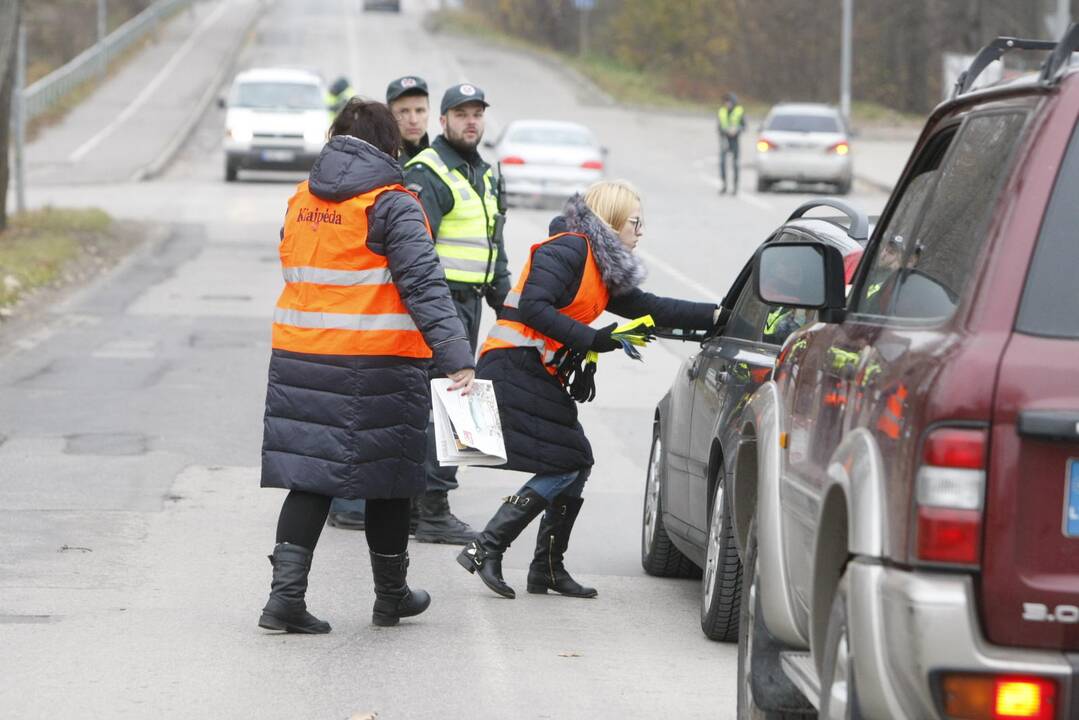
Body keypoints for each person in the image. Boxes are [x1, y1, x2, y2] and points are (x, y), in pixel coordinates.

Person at [258, 98, 476, 633]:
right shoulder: (393, 202)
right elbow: (424, 283)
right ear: (389, 145)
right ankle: (392, 595)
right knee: (391, 480)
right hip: (377, 362)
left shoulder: (301, 198)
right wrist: (455, 356)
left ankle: (283, 600)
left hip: (301, 357)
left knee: (310, 478)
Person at [457, 180, 727, 599]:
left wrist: (719, 315)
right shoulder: (567, 250)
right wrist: (594, 339)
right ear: (613, 221)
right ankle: (488, 545)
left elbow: (652, 308)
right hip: (512, 364)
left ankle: (546, 568)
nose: (641, 231)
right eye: (635, 222)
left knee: (576, 462)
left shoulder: (601, 268)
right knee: (569, 461)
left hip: (534, 369)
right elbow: (533, 307)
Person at [403, 83, 512, 545]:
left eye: (477, 114)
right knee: (445, 403)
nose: (471, 121)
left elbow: (494, 247)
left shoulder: (484, 173)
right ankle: (432, 508)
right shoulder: (428, 171)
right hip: (439, 304)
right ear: (442, 121)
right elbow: (414, 248)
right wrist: (437, 311)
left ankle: (418, 505)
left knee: (452, 401)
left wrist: (509, 308)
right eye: (461, 114)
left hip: (469, 303)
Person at [386, 75, 431, 163]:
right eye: (404, 111)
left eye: (419, 110)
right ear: (389, 115)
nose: (413, 120)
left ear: (429, 111)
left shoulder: (438, 158)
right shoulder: (382, 161)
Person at [718, 92, 745, 194]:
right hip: (725, 139)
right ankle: (724, 185)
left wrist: (736, 130)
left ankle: (735, 187)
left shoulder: (739, 111)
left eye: (729, 102)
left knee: (735, 164)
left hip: (734, 140)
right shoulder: (722, 111)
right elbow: (719, 127)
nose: (727, 104)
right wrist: (725, 131)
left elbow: (744, 126)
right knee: (722, 164)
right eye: (726, 102)